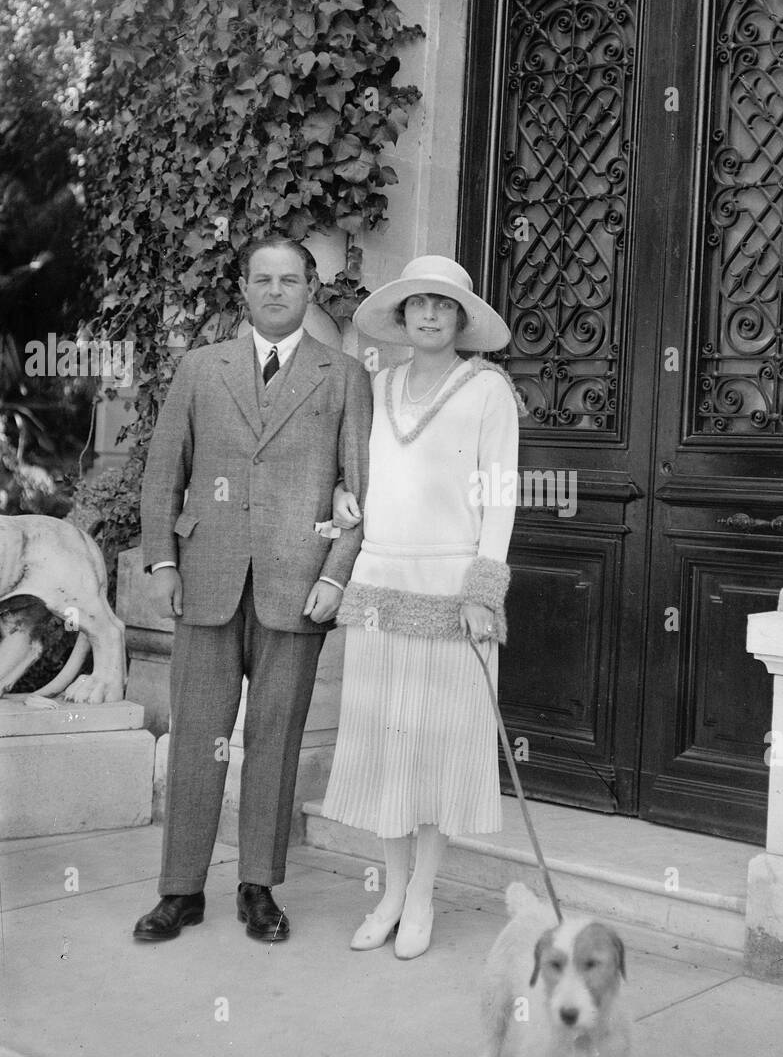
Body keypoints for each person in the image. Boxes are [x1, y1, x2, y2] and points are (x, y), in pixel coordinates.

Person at [133, 236, 372, 943]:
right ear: (243, 288)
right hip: (206, 580)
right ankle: (180, 890)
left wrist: (335, 574)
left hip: (297, 588)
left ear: (310, 290)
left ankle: (258, 887)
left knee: (274, 739)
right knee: (197, 738)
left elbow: (360, 491)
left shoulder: (343, 375)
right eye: (262, 280)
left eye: (289, 280)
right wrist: (163, 563)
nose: (275, 291)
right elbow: (161, 472)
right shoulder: (201, 369)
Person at [322, 255, 522, 959]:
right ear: (401, 319)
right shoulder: (379, 383)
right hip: (379, 583)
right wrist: (345, 500)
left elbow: (500, 496)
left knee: (436, 749)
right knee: (386, 747)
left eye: (443, 306)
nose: (430, 317)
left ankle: (423, 896)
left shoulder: (488, 390)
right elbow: (365, 474)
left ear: (461, 319)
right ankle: (391, 889)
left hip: (451, 591)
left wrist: (481, 591)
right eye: (417, 306)